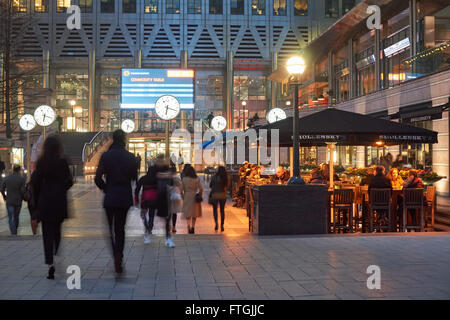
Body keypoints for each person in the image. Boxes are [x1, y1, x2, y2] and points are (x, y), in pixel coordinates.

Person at [95, 129, 138, 274]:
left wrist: (106, 188)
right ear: (124, 139)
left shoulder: (106, 156)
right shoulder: (131, 157)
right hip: (124, 197)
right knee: (120, 228)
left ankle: (115, 254)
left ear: (113, 138)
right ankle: (119, 254)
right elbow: (134, 178)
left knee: (110, 230)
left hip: (110, 196)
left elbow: (97, 178)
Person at [30, 136, 73, 279]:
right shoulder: (62, 161)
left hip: (45, 201)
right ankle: (56, 254)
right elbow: (70, 181)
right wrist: (61, 188)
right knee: (57, 231)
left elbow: (35, 182)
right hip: (59, 201)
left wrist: (37, 202)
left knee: (47, 234)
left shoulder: (42, 162)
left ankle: (50, 264)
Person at [135, 165, 158, 244]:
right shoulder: (157, 179)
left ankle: (146, 225)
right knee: (151, 214)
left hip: (145, 199)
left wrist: (136, 199)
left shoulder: (143, 178)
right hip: (154, 199)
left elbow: (137, 189)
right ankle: (150, 228)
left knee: (143, 214)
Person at [155, 161, 175, 247]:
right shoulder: (170, 178)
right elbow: (172, 187)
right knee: (168, 220)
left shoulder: (156, 177)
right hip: (168, 200)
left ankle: (168, 237)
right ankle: (168, 238)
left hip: (160, 200)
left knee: (165, 220)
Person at [1, 165, 26, 235]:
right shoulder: (21, 179)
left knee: (10, 217)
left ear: (13, 170)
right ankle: (15, 229)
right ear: (19, 170)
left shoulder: (7, 178)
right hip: (18, 201)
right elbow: (23, 190)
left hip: (9, 200)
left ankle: (13, 232)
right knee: (16, 216)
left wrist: (5, 197)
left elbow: (2, 189)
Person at [181, 165, 203, 234]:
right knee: (194, 213)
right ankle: (193, 227)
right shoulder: (197, 179)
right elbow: (201, 188)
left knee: (188, 213)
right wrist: (200, 195)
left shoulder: (184, 179)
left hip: (187, 196)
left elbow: (181, 190)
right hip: (194, 197)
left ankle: (188, 226)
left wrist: (183, 197)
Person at [209, 166, 229, 232]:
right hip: (223, 195)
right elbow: (227, 186)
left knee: (215, 210)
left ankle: (216, 224)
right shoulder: (225, 178)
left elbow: (210, 185)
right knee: (222, 210)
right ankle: (222, 225)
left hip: (215, 195)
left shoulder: (214, 177)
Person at [169, 166, 183, 234]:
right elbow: (181, 187)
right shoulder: (177, 177)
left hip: (168, 196)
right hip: (176, 195)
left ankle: (168, 226)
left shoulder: (168, 177)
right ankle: (174, 227)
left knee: (169, 212)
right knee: (174, 212)